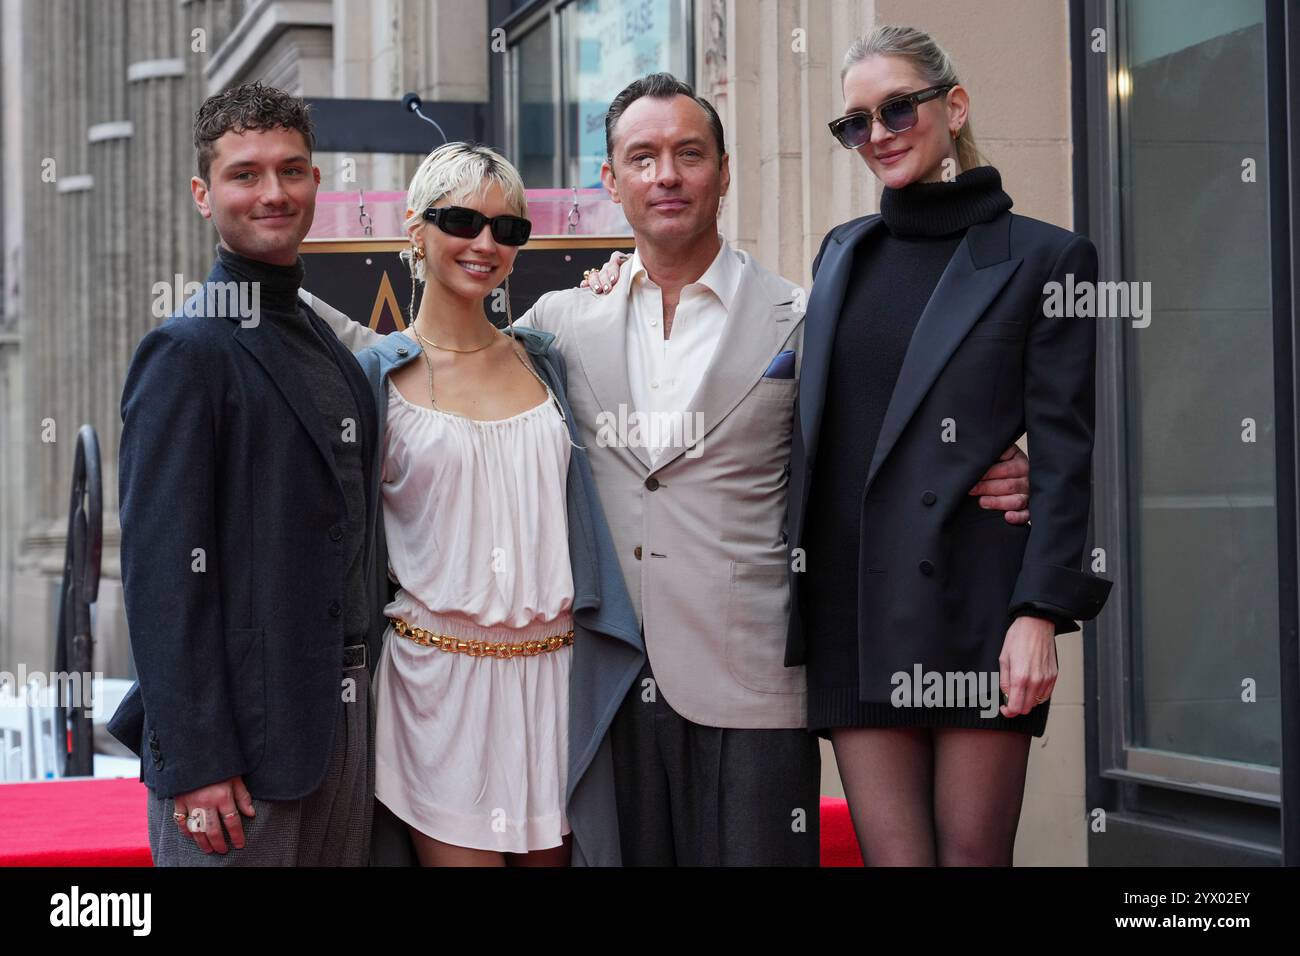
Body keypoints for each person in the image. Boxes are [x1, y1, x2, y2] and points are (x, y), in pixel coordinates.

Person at [519, 72, 1034, 865]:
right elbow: (453, 384)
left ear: (724, 173)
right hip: (608, 679)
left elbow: (897, 435)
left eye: (690, 153)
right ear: (610, 182)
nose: (667, 175)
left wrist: (1000, 466)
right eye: (643, 157)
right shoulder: (558, 321)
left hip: (752, 684)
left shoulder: (810, 313)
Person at [785, 25, 1113, 865]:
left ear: (953, 105)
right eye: (855, 122)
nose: (878, 134)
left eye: (897, 108)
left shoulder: (1047, 258)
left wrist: (1041, 612)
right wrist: (624, 276)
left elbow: (1068, 453)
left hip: (974, 602)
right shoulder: (841, 253)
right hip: (850, 607)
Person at [308, 142, 643, 866]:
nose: (485, 243)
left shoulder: (550, 357)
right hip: (437, 687)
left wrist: (622, 273)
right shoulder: (374, 379)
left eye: (509, 229)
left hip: (555, 680)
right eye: (462, 219)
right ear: (415, 229)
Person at [108, 82, 379, 865]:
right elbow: (161, 572)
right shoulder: (187, 350)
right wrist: (196, 763)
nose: (273, 192)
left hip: (342, 723)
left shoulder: (331, 347)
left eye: (292, 171)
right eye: (245, 174)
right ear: (204, 193)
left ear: (316, 184)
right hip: (236, 755)